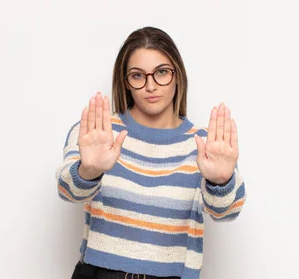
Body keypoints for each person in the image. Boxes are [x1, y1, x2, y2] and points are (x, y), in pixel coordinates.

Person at [55, 26, 246, 279]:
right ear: (126, 82)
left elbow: (227, 212)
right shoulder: (97, 133)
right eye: (137, 75)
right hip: (99, 273)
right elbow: (67, 191)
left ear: (177, 75)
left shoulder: (204, 144)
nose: (151, 85)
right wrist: (89, 171)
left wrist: (221, 181)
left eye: (162, 72)